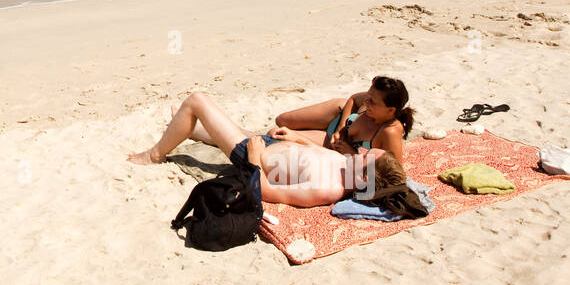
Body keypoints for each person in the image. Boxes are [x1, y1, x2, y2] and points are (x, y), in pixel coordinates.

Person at [127, 90, 405, 207]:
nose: (363, 151)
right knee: (212, 123)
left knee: (197, 100)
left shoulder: (327, 189)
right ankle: (187, 126)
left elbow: (268, 192)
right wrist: (295, 136)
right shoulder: (347, 166)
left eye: (368, 155)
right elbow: (318, 152)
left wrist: (255, 158)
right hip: (278, 144)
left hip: (250, 152)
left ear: (365, 178)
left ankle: (155, 154)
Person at [269, 76, 414, 163]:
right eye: (368, 97)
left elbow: (395, 172)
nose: (367, 102)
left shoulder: (390, 131)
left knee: (278, 135)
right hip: (337, 115)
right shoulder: (373, 100)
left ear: (391, 110)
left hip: (330, 142)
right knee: (282, 120)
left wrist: (353, 154)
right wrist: (341, 129)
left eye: (372, 101)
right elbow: (354, 98)